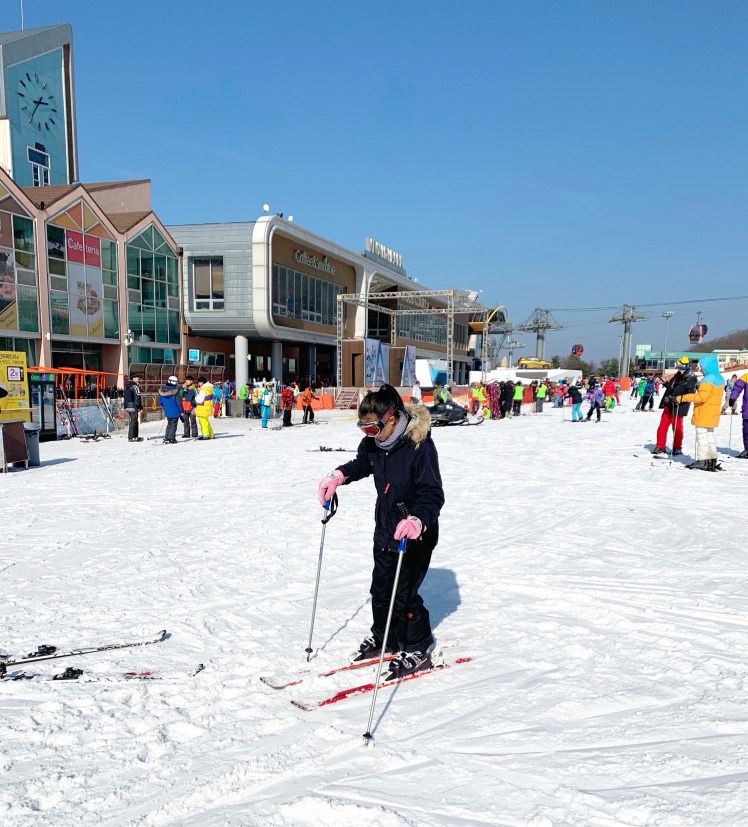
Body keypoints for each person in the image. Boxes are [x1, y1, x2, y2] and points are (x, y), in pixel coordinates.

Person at [317, 384, 444, 679]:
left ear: (392, 418)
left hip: (415, 533)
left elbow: (432, 494)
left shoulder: (419, 446)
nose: (368, 435)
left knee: (404, 595)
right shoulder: (374, 443)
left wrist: (417, 520)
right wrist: (339, 476)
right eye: (363, 429)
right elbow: (363, 463)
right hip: (386, 529)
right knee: (381, 590)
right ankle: (386, 637)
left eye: (373, 428)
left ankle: (418, 647)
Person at [677, 354, 725, 471]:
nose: (701, 369)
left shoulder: (707, 379)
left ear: (707, 366)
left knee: (702, 437)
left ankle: (702, 460)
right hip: (713, 413)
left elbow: (701, 398)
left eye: (702, 367)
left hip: (704, 412)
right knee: (710, 436)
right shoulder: (719, 378)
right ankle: (712, 459)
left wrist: (682, 397)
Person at [652, 356, 697, 456]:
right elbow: (672, 387)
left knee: (677, 428)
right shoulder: (677, 376)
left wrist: (676, 398)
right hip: (669, 404)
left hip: (679, 406)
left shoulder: (691, 378)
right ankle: (660, 446)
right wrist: (665, 383)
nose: (678, 368)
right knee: (662, 426)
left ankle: (677, 448)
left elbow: (690, 394)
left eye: (679, 366)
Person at [729, 371, 748, 458]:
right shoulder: (746, 376)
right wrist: (733, 397)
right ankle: (747, 450)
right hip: (747, 410)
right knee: (746, 431)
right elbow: (737, 387)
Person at [157, 376, 182, 444]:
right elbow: (179, 402)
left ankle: (167, 437)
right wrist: (181, 411)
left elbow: (160, 401)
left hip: (167, 410)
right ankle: (171, 438)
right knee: (173, 425)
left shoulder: (161, 390)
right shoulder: (175, 391)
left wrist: (163, 407)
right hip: (175, 410)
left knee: (169, 425)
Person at [124, 373, 144, 442]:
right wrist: (140, 406)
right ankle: (132, 436)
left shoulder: (127, 386)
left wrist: (125, 406)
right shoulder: (135, 386)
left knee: (134, 420)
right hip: (133, 405)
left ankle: (134, 436)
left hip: (128, 405)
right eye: (136, 377)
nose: (138, 378)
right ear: (133, 378)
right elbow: (137, 397)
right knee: (134, 420)